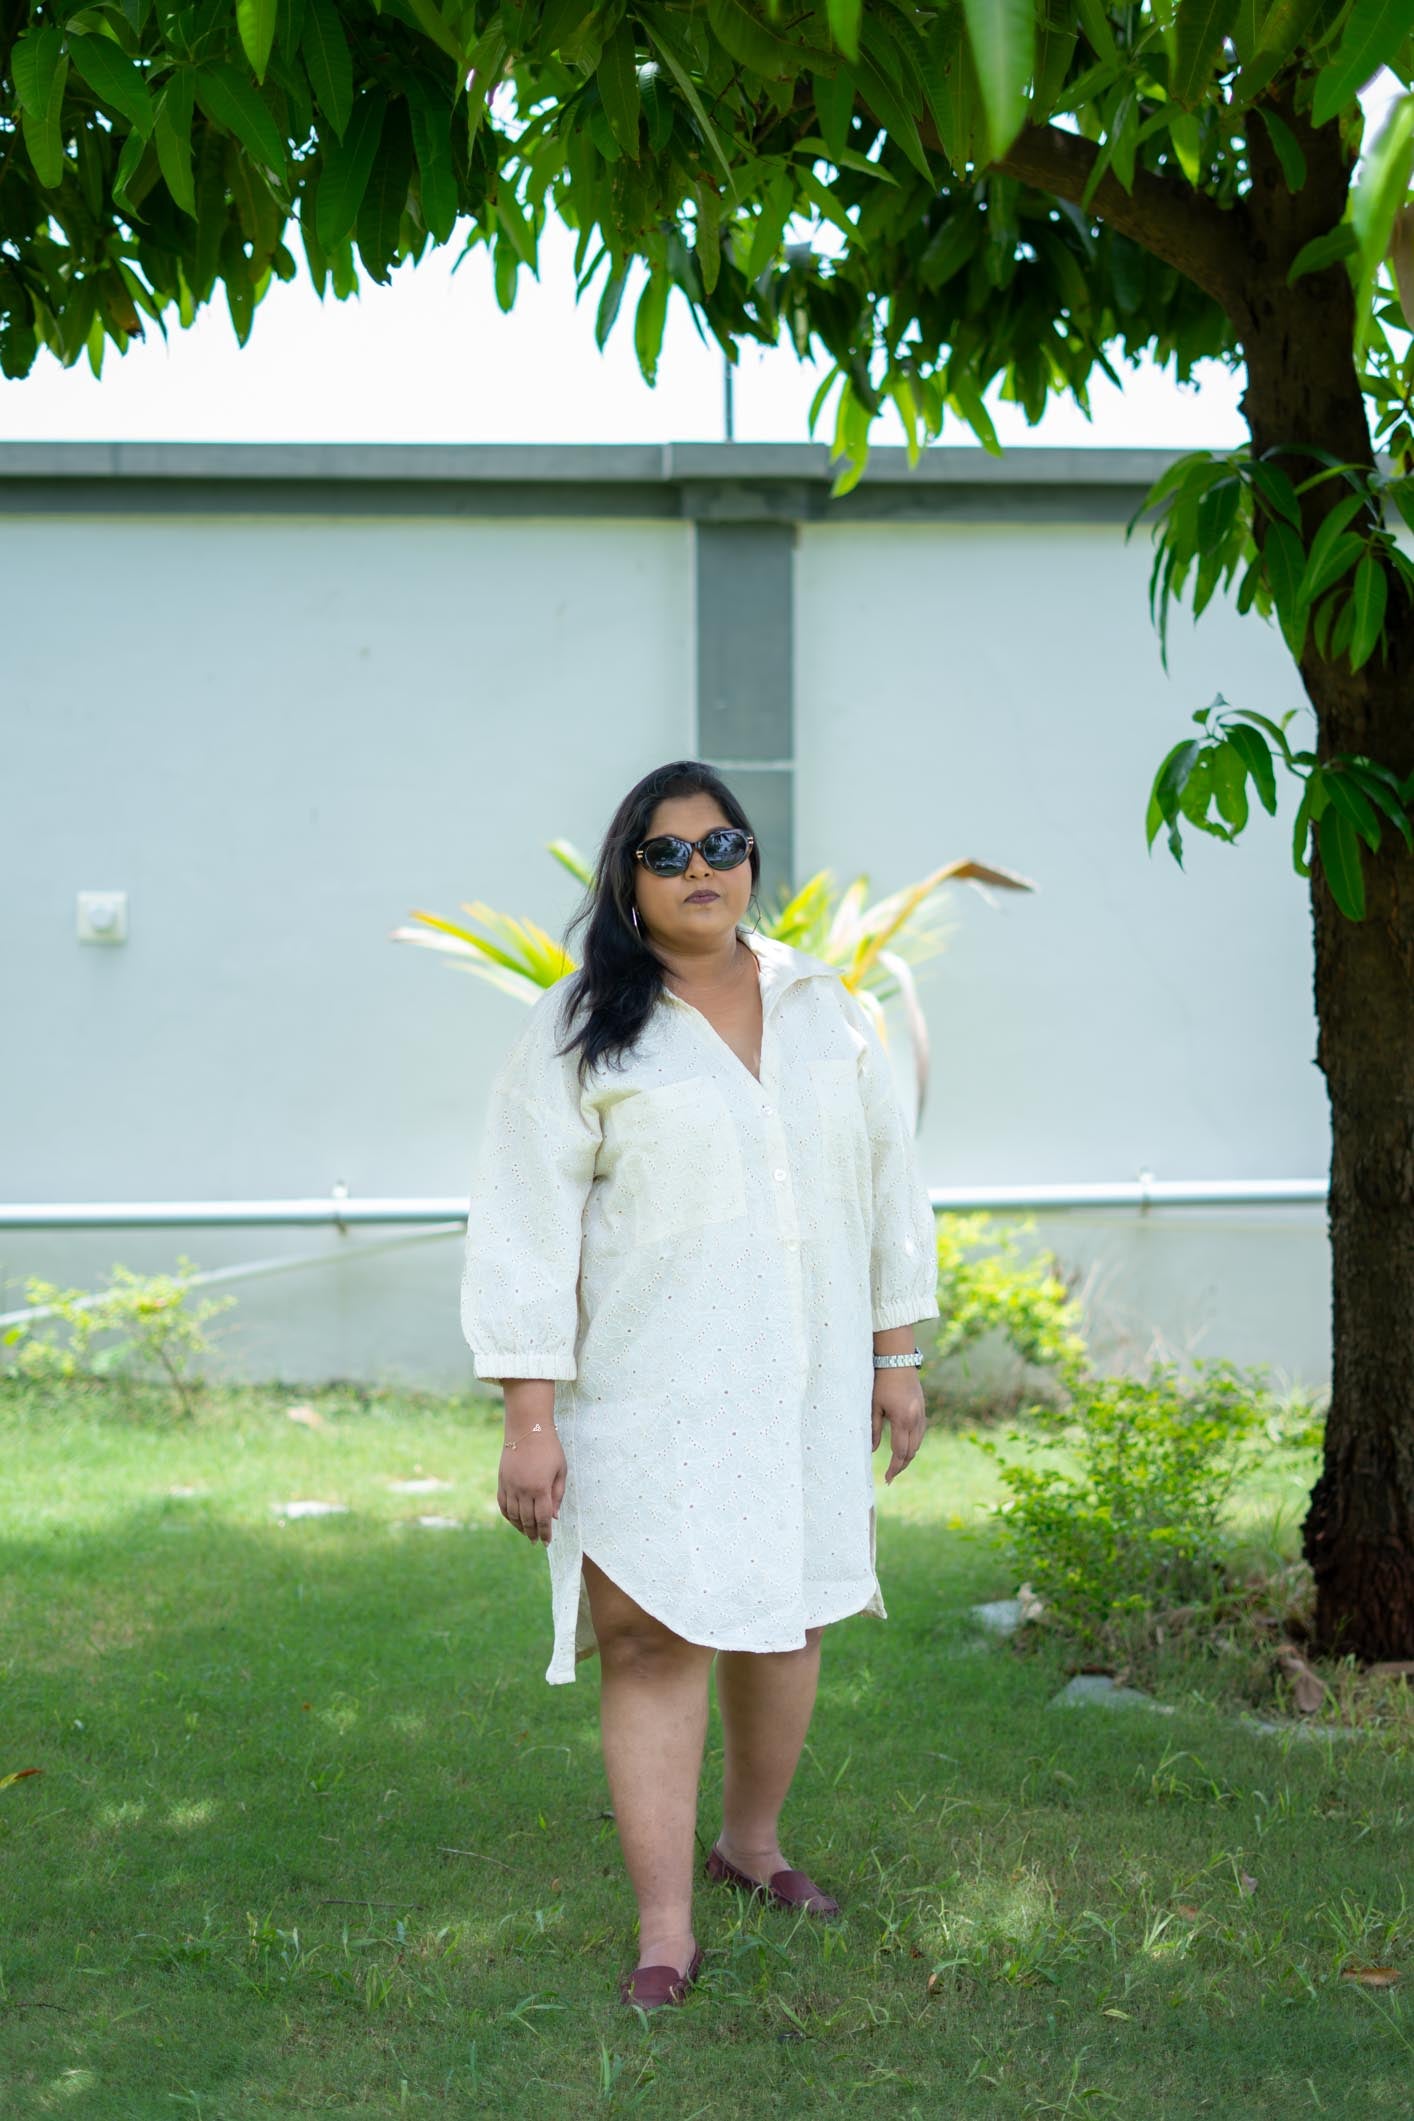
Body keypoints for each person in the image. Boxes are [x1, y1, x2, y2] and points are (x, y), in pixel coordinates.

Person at [459, 758, 940, 2010]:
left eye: (720, 845)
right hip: (646, 1384)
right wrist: (528, 1418)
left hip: (801, 1373)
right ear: (627, 878)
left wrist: (895, 1360)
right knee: (648, 1631)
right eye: (666, 853)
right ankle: (664, 1927)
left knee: (788, 1611)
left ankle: (753, 1846)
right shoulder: (578, 1029)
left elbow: (891, 1182)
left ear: (749, 861)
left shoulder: (825, 1005)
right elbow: (521, 1228)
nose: (699, 872)